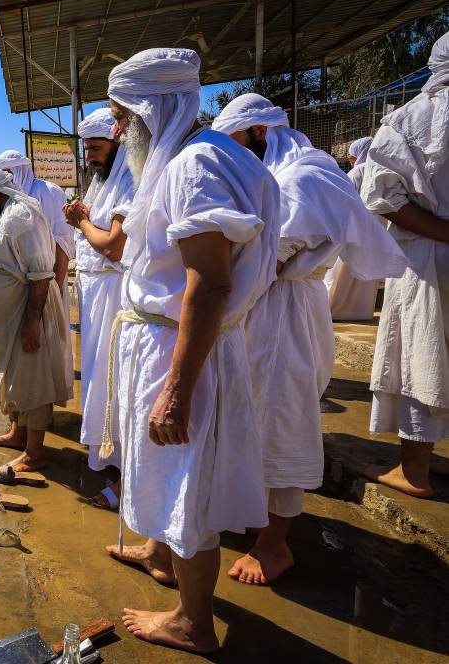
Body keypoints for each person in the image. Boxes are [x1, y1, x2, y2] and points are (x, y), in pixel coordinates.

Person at [103, 48, 279, 654]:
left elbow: (210, 284)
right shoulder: (188, 158)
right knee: (175, 478)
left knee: (189, 492)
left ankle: (193, 622)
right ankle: (159, 556)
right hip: (170, 343)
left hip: (181, 354)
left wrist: (175, 392)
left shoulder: (195, 165)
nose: (119, 129)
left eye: (123, 115)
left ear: (156, 107)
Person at [212, 94, 406, 586]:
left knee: (280, 423)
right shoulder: (282, 175)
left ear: (259, 133)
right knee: (250, 417)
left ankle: (275, 545)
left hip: (283, 316)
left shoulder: (304, 176)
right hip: (264, 308)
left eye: (236, 143)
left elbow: (269, 259)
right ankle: (257, 518)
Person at [359, 31, 449, 498]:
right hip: (429, 251)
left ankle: (414, 471)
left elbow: (382, 198)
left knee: (421, 355)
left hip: (428, 254)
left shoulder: (410, 118)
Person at [0, 166, 71, 473]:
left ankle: (35, 453)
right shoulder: (2, 217)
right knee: (13, 377)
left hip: (26, 313)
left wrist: (32, 322)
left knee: (32, 377)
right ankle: (17, 434)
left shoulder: (22, 218)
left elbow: (40, 275)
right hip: (6, 321)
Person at [62, 107, 135, 510]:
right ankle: (105, 454)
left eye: (96, 148)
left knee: (114, 377)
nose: (90, 156)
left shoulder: (128, 177)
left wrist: (81, 223)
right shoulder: (100, 181)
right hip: (94, 295)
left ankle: (122, 460)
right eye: (86, 149)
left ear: (117, 143)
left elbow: (113, 244)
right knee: (96, 377)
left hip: (114, 294)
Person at [0, 150, 75, 298]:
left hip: (50, 283)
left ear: (20, 171)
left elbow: (63, 243)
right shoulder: (9, 201)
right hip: (22, 285)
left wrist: (56, 290)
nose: (6, 179)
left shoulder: (47, 191)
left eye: (8, 173)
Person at [324, 136, 382, 320]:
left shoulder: (357, 173)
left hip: (352, 231)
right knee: (364, 276)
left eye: (352, 158)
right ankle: (360, 312)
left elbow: (341, 201)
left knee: (340, 272)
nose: (351, 162)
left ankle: (332, 310)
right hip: (374, 232)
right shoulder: (380, 171)